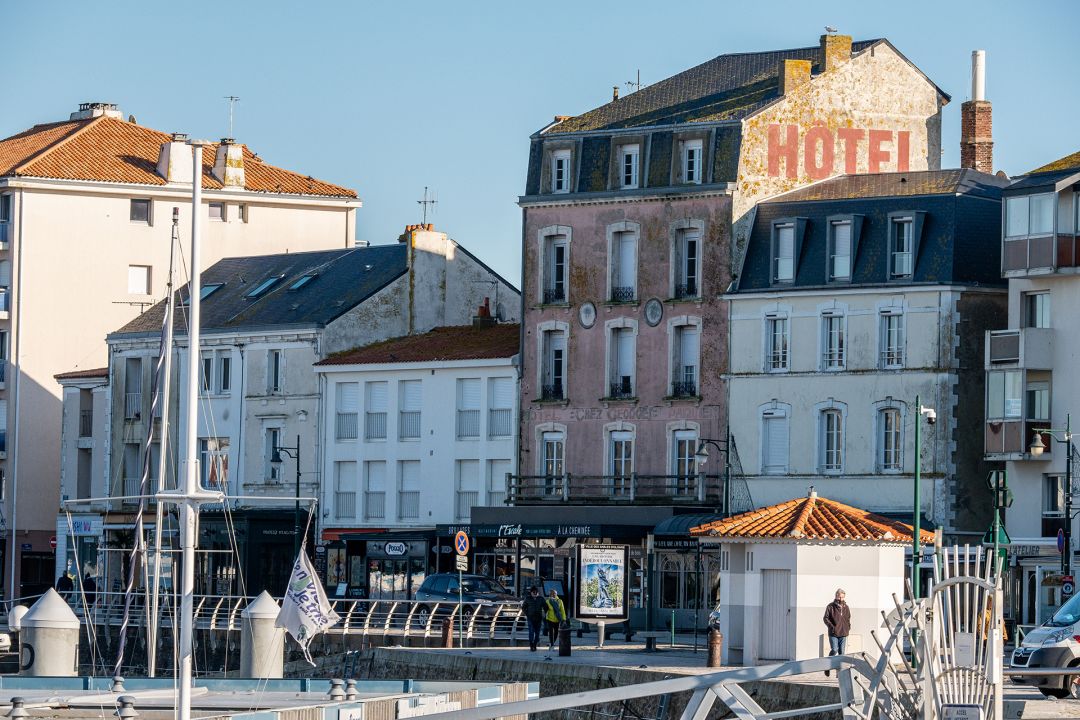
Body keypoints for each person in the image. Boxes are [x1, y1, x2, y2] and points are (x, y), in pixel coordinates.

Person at [822, 588, 851, 677]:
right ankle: (827, 666)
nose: (841, 599)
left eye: (842, 597)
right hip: (833, 633)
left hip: (843, 632)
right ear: (836, 596)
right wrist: (832, 627)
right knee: (834, 650)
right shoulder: (830, 606)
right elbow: (825, 618)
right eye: (839, 597)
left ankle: (839, 673)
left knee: (842, 653)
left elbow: (848, 618)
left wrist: (848, 627)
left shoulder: (846, 607)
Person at [521, 585, 547, 651]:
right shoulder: (528, 598)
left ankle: (535, 644)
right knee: (531, 632)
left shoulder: (541, 599)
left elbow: (546, 607)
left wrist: (545, 614)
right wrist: (527, 614)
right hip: (530, 618)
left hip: (539, 618)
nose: (535, 594)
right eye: (533, 592)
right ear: (531, 592)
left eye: (536, 592)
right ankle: (531, 645)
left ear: (538, 592)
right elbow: (523, 607)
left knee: (537, 633)